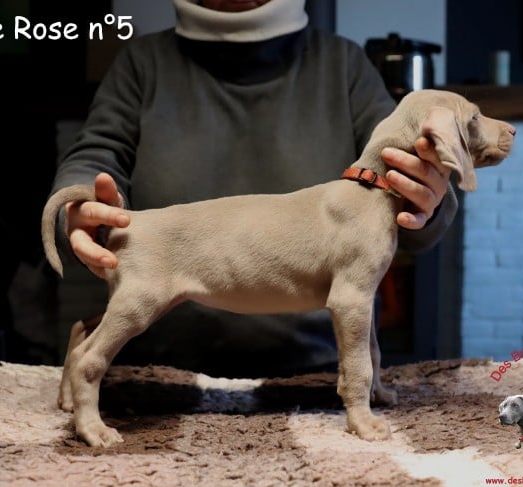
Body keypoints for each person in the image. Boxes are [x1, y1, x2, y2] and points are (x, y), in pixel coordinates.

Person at [49, 0, 456, 377]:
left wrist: (426, 196)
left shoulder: (345, 65)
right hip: (159, 369)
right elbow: (96, 153)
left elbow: (405, 169)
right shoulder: (142, 62)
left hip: (317, 370)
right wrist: (81, 201)